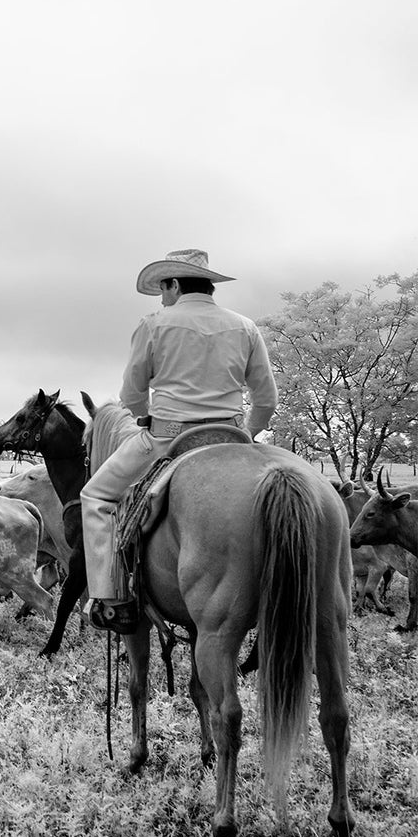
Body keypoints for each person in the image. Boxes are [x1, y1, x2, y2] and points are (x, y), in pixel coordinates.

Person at [82, 249, 278, 633]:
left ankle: (112, 598)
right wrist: (249, 433)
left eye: (162, 288)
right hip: (232, 437)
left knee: (96, 498)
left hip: (167, 439)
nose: (161, 297)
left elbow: (132, 392)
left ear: (174, 284)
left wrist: (142, 417)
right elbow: (266, 398)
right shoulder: (245, 326)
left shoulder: (154, 323)